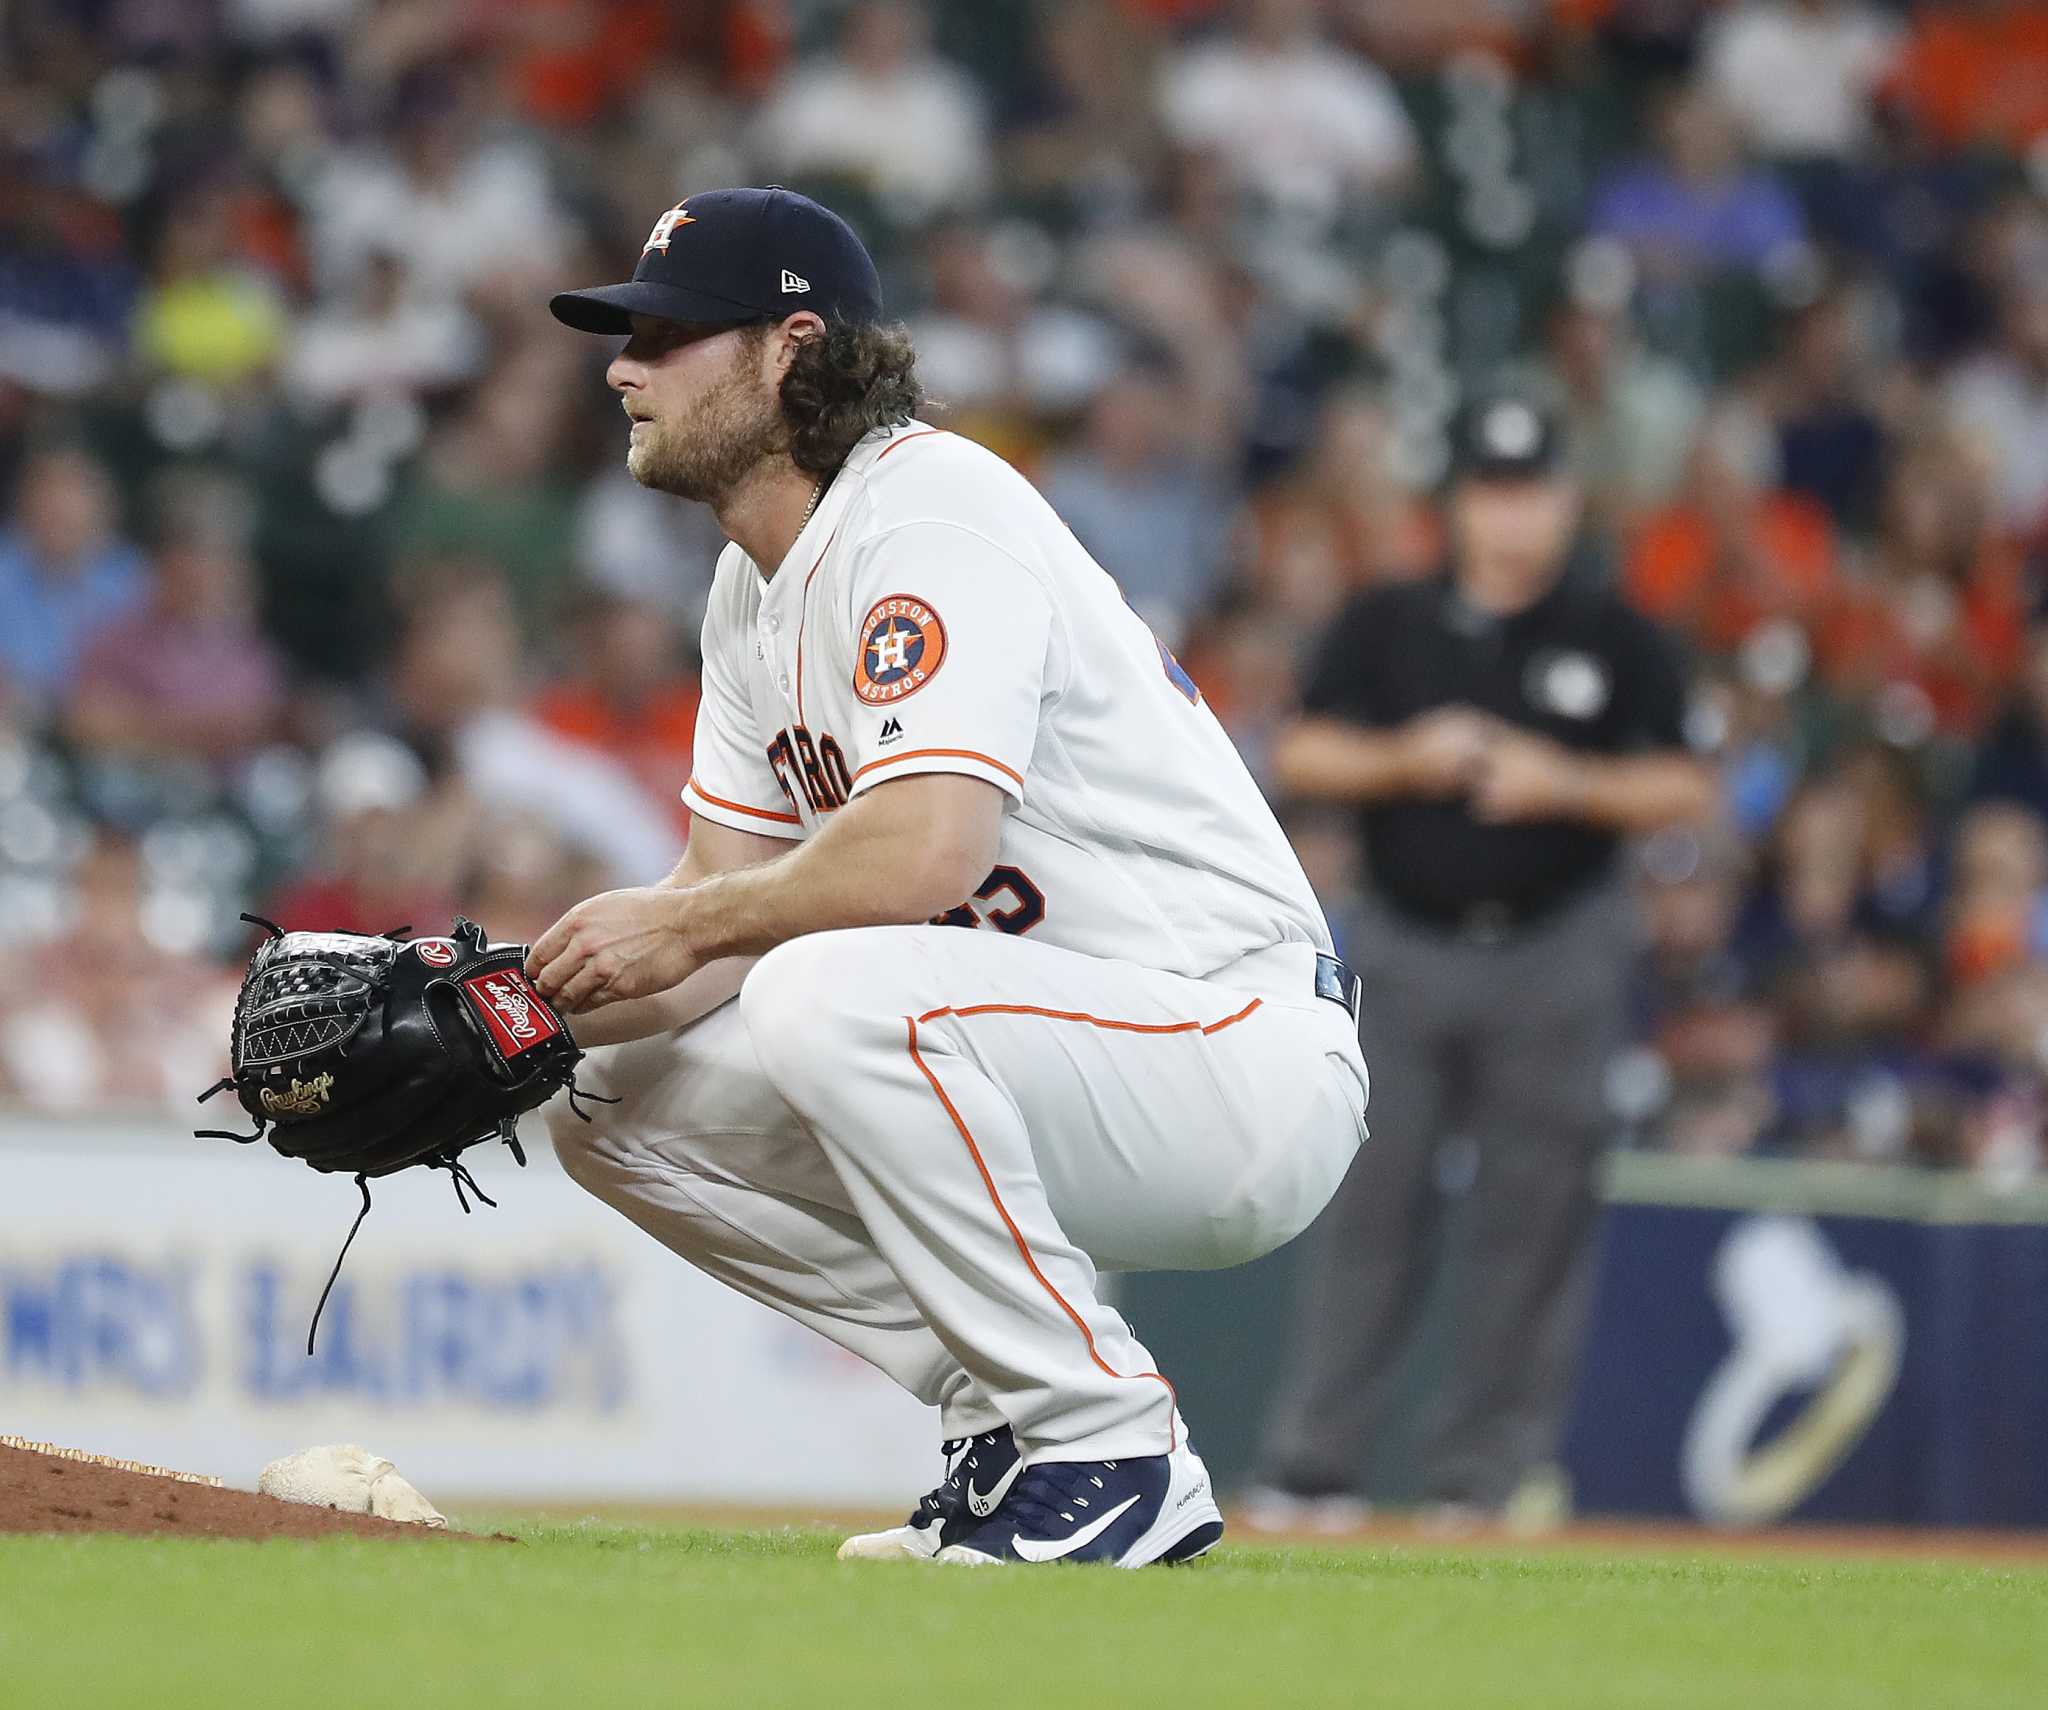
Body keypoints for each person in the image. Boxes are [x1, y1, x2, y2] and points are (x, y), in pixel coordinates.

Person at [530, 187, 1369, 1568]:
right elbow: (712, 926)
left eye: (668, 332)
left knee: (828, 991)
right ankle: (1009, 1412)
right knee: (605, 1097)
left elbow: (926, 851)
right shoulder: (750, 589)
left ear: (789, 346)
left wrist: (682, 922)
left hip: (1235, 1046)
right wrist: (499, 1012)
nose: (623, 364)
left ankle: (1108, 1445)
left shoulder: (930, 505)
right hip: (1055, 1044)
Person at [1249, 393, 1716, 1529]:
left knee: (1529, 1219)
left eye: (1532, 490)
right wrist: (1406, 757)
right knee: (1369, 1206)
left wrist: (1566, 784)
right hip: (1404, 943)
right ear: (1455, 504)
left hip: (1557, 946)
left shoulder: (1615, 634)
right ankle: (1316, 1465)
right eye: (1490, 491)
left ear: (1565, 500)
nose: (1511, 517)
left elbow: (1685, 785)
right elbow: (1299, 747)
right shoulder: (1386, 621)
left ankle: (1479, 1474)